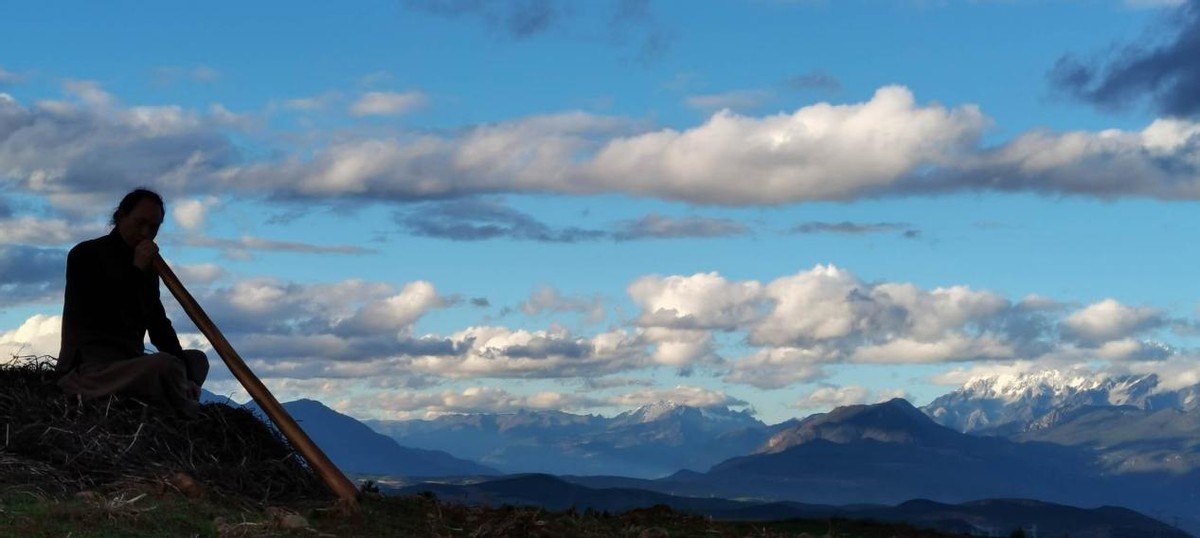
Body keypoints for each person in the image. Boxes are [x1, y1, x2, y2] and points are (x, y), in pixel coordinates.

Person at [56, 188, 209, 417]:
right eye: (140, 223)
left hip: (130, 364)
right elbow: (105, 312)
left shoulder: (149, 269)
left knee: (197, 360)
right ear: (120, 217)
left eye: (154, 227)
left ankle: (176, 390)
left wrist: (187, 374)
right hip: (91, 371)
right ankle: (188, 413)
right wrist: (136, 269)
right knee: (165, 366)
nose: (146, 233)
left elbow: (158, 325)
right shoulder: (85, 254)